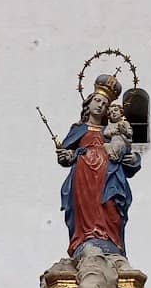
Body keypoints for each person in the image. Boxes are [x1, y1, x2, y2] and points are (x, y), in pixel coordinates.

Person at [56, 75, 141, 258]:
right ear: (89, 102)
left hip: (110, 176)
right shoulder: (79, 129)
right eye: (97, 100)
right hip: (84, 177)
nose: (100, 105)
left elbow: (125, 150)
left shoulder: (110, 131)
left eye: (105, 103)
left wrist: (134, 159)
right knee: (85, 208)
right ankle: (85, 239)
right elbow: (65, 155)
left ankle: (111, 241)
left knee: (111, 206)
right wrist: (67, 155)